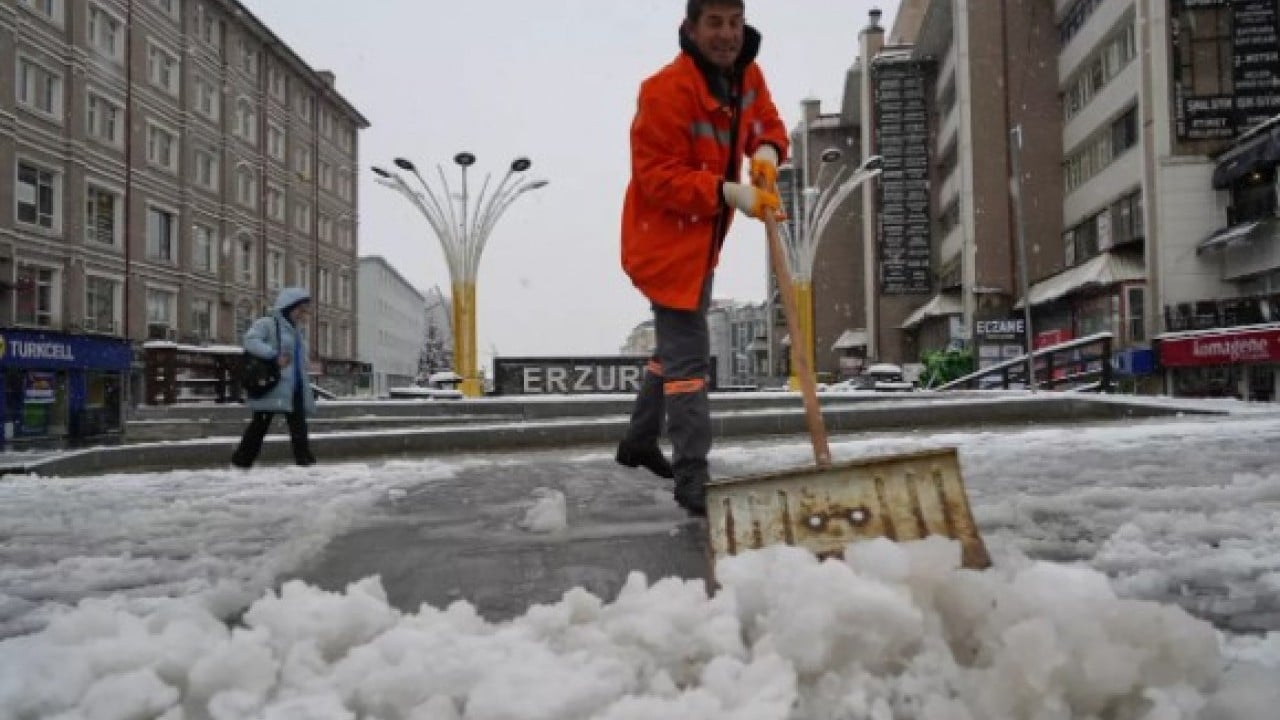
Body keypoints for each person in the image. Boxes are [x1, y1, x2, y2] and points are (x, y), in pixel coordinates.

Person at [616, 0, 788, 516]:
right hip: (663, 246)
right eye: (714, 23)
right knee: (689, 359)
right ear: (691, 28)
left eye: (735, 22)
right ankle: (692, 474)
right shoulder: (665, 91)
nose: (727, 34)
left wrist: (767, 153)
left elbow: (767, 123)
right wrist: (727, 192)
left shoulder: (746, 75)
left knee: (675, 350)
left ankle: (639, 441)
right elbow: (656, 175)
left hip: (702, 243)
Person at [231, 287, 317, 468]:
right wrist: (273, 355)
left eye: (304, 310)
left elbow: (298, 358)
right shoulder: (267, 323)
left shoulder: (296, 330)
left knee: (299, 426)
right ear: (288, 307)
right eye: (300, 309)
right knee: (260, 425)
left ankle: (305, 463)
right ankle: (241, 461)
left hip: (295, 387)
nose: (302, 314)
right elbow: (250, 341)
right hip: (273, 383)